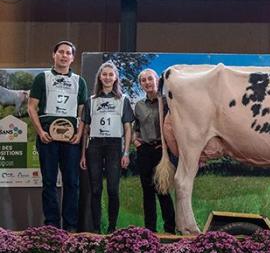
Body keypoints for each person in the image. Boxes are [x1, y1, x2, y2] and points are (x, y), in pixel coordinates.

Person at [27, 41, 88, 231]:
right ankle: (52, 225)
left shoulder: (80, 81)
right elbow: (31, 107)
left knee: (72, 182)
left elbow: (83, 112)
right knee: (49, 182)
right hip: (48, 138)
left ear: (72, 58)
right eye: (60, 52)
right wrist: (40, 131)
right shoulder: (42, 78)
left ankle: (70, 226)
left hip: (71, 139)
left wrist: (79, 134)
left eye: (68, 53)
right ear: (54, 55)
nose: (64, 55)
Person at [80, 61, 134, 234]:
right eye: (104, 74)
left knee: (112, 189)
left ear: (116, 77)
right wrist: (83, 154)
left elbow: (127, 128)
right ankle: (96, 229)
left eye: (111, 74)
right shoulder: (91, 100)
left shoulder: (123, 100)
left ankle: (112, 228)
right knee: (96, 189)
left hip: (114, 145)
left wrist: (126, 152)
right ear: (100, 77)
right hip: (94, 145)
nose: (108, 77)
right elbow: (86, 130)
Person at [132, 68, 176, 234]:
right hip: (145, 151)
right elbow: (136, 127)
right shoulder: (139, 106)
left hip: (162, 151)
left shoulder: (166, 102)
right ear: (141, 85)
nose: (147, 82)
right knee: (147, 192)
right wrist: (136, 141)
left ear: (157, 80)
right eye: (143, 80)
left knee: (163, 190)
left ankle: (170, 229)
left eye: (150, 79)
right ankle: (149, 230)